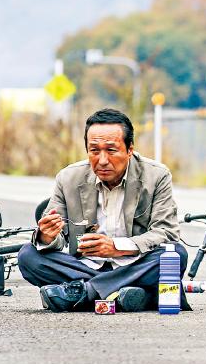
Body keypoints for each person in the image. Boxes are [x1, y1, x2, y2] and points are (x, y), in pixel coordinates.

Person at [18, 108, 187, 312]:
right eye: (94, 150)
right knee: (28, 256)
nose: (103, 160)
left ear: (129, 149)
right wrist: (47, 237)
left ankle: (84, 292)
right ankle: (134, 294)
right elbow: (57, 238)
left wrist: (117, 247)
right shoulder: (68, 178)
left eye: (111, 150)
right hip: (85, 265)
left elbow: (166, 233)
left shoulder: (156, 176)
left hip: (134, 262)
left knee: (175, 255)